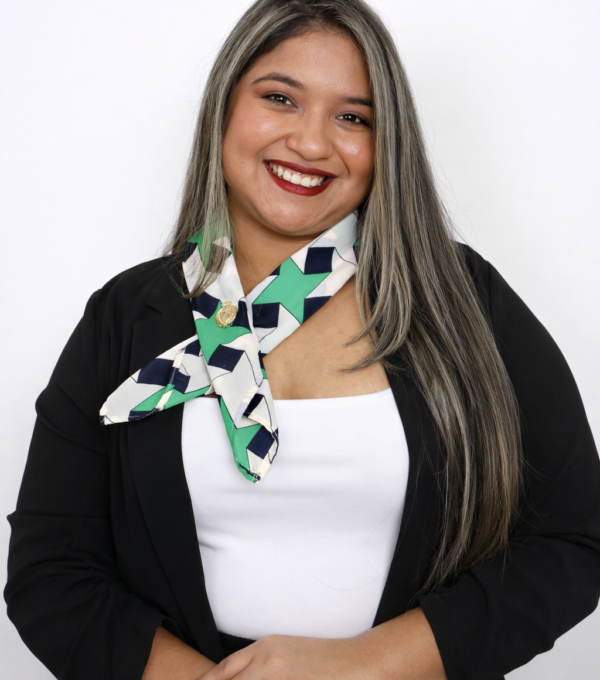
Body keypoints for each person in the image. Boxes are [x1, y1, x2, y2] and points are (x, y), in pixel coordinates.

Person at [5, 0, 600, 679]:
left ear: (386, 143)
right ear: (225, 107)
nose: (312, 144)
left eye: (353, 118)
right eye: (280, 98)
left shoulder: (460, 301)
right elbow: (50, 572)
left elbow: (573, 539)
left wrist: (363, 668)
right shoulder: (122, 317)